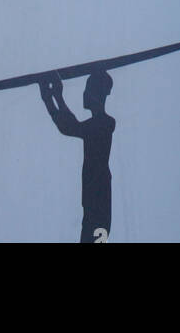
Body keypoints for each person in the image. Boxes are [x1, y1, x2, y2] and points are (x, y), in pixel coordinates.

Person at [39, 67, 116, 243]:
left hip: (98, 198)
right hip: (94, 199)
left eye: (88, 89)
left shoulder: (105, 124)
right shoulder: (102, 124)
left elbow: (70, 127)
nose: (84, 93)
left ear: (96, 94)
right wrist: (49, 97)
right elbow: (69, 127)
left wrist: (54, 96)